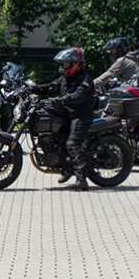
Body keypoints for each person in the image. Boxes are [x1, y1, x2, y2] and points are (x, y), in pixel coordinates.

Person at [38, 46, 95, 190]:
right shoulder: (65, 78)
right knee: (57, 137)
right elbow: (50, 86)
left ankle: (82, 180)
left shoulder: (85, 78)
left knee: (72, 144)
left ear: (76, 63)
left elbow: (78, 96)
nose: (64, 67)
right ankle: (66, 167)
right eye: (63, 64)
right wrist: (32, 88)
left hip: (81, 115)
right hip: (67, 114)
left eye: (66, 63)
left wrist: (61, 100)